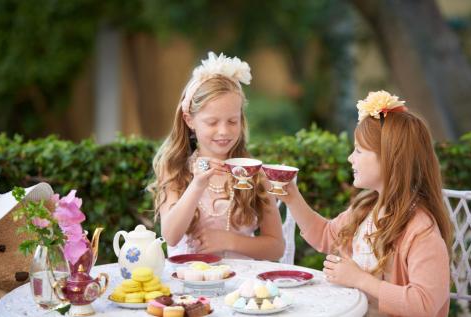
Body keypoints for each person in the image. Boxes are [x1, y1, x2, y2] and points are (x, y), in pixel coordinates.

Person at [275, 91, 452, 316]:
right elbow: (325, 235)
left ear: (390, 159)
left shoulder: (421, 229)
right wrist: (292, 196)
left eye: (358, 150)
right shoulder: (368, 209)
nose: (350, 158)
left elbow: (424, 304)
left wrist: (359, 279)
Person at [150, 52, 285, 260]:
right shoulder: (175, 168)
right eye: (212, 122)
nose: (224, 131)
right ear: (189, 120)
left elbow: (276, 247)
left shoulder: (255, 174)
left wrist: (229, 240)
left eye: (232, 121)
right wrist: (197, 185)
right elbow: (171, 236)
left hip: (242, 288)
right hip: (188, 284)